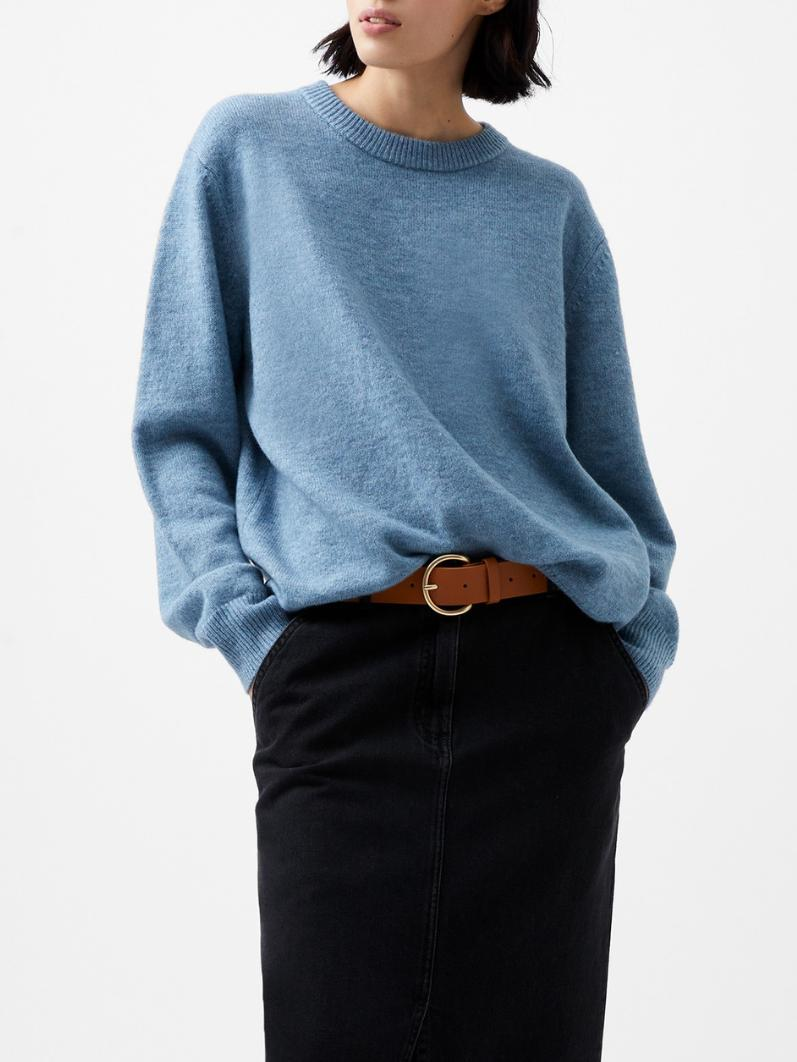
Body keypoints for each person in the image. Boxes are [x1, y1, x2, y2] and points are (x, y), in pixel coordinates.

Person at [131, 1, 679, 1058]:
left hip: (546, 692)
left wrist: (628, 654)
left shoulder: (548, 209)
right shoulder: (250, 149)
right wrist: (253, 635)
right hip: (338, 678)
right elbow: (179, 428)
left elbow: (611, 468)